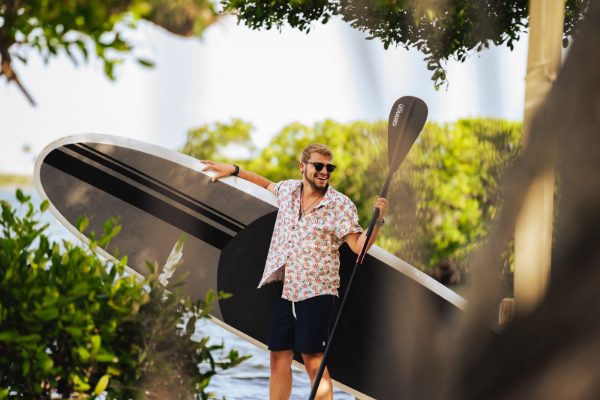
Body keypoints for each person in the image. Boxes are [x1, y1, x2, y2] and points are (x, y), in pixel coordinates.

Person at [201, 143, 389, 400]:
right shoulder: (289, 190)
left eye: (329, 167)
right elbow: (266, 184)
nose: (324, 171)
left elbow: (359, 246)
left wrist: (377, 221)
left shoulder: (340, 205)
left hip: (318, 294)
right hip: (288, 292)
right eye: (318, 166)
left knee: (314, 362)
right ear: (303, 167)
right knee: (278, 359)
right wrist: (234, 170)